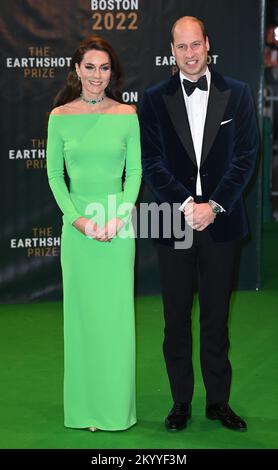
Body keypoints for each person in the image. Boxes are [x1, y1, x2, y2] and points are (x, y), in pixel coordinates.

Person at [139, 16, 258, 432]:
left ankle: (218, 402)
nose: (189, 54)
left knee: (215, 319)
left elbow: (246, 155)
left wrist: (216, 205)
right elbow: (150, 161)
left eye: (195, 45)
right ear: (172, 51)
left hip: (221, 223)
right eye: (180, 47)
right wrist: (188, 204)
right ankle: (180, 402)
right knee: (175, 319)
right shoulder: (154, 98)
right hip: (173, 222)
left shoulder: (238, 93)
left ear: (207, 44)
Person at [46, 35, 142, 432]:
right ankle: (84, 408)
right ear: (76, 70)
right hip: (78, 231)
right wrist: (77, 220)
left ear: (112, 72)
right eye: (90, 67)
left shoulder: (127, 114)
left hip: (118, 228)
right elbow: (55, 176)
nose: (97, 76)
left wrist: (119, 217)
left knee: (116, 320)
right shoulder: (59, 116)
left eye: (104, 68)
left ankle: (115, 410)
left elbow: (134, 172)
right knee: (82, 319)